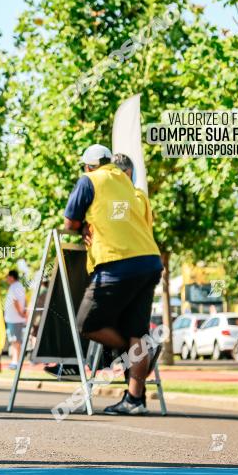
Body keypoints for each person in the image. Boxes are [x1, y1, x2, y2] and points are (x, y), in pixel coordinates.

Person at [64, 145, 163, 415]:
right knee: (136, 332)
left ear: (89, 166)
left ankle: (135, 351)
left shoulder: (90, 181)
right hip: (150, 262)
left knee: (86, 323)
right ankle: (135, 399)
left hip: (116, 264)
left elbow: (70, 223)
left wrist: (84, 226)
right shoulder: (136, 192)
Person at [4, 269, 27, 369]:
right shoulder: (19, 286)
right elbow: (24, 300)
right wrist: (23, 313)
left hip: (14, 319)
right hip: (15, 319)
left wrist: (21, 313)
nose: (6, 279)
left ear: (11, 277)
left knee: (15, 341)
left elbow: (15, 301)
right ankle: (15, 361)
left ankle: (15, 361)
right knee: (15, 341)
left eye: (7, 277)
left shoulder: (14, 287)